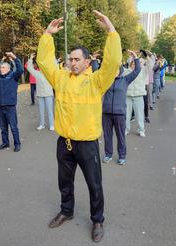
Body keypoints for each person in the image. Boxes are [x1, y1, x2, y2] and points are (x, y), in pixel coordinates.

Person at [36, 11, 122, 242]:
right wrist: (47, 35)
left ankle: (98, 219)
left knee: (94, 184)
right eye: (70, 59)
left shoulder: (96, 81)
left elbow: (113, 62)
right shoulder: (60, 77)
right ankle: (66, 211)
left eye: (77, 59)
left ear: (87, 62)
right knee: (64, 182)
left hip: (87, 145)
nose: (72, 63)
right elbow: (43, 62)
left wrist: (111, 32)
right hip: (64, 143)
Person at [101, 50, 141, 165]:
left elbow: (137, 70)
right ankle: (108, 154)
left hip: (120, 113)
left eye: (116, 69)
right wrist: (94, 61)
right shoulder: (106, 81)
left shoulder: (125, 80)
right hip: (106, 112)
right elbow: (96, 71)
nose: (114, 71)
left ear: (120, 71)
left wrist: (135, 58)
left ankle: (122, 156)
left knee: (120, 136)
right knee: (107, 135)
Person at [26, 54, 54, 131]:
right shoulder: (37, 73)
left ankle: (52, 124)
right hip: (40, 94)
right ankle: (42, 124)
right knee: (41, 110)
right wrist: (31, 58)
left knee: (49, 110)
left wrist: (50, 56)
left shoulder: (50, 74)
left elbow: (54, 65)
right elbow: (29, 67)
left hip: (48, 94)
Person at [126, 58, 147, 137]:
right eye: (133, 64)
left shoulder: (142, 71)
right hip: (128, 96)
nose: (134, 65)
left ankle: (141, 130)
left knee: (139, 115)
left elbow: (150, 65)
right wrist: (132, 56)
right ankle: (126, 129)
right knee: (126, 115)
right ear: (130, 64)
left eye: (136, 64)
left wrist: (148, 56)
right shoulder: (126, 72)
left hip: (138, 96)